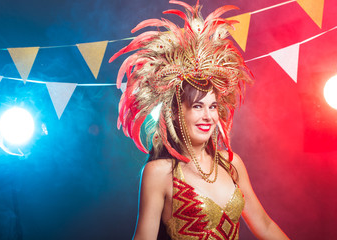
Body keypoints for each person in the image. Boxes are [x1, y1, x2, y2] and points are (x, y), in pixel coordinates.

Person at [109, 1, 290, 239]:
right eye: (197, 106)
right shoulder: (159, 172)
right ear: (175, 112)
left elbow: (264, 226)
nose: (208, 115)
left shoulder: (232, 164)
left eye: (213, 106)